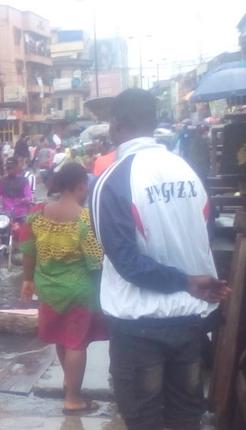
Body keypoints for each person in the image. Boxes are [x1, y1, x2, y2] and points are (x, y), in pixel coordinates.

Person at [91, 89, 231, 430]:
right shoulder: (189, 172)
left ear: (116, 124)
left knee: (143, 420)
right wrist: (188, 283)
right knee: (186, 417)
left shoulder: (112, 180)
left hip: (139, 327)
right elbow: (204, 236)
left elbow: (126, 263)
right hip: (188, 323)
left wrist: (184, 281)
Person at [21, 162, 108, 415]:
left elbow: (27, 251)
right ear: (80, 185)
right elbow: (95, 261)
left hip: (48, 289)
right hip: (78, 290)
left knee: (61, 338)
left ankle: (69, 381)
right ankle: (73, 398)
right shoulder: (84, 219)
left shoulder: (37, 214)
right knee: (76, 343)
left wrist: (28, 280)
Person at [0, 158, 33, 255]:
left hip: (21, 213)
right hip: (6, 214)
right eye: (8, 168)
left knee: (28, 232)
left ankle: (27, 251)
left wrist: (26, 200)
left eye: (12, 168)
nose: (9, 170)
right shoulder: (1, 181)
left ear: (17, 168)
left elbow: (29, 196)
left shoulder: (24, 181)